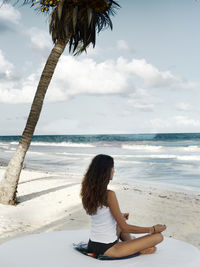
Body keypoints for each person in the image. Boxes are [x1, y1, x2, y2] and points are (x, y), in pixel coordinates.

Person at [80, 154, 167, 258]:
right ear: (106, 171)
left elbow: (100, 214)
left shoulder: (88, 193)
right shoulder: (109, 194)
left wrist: (120, 216)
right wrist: (152, 229)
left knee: (120, 221)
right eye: (112, 168)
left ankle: (133, 244)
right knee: (158, 237)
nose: (114, 171)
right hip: (108, 249)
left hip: (92, 245)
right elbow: (125, 228)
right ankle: (139, 250)